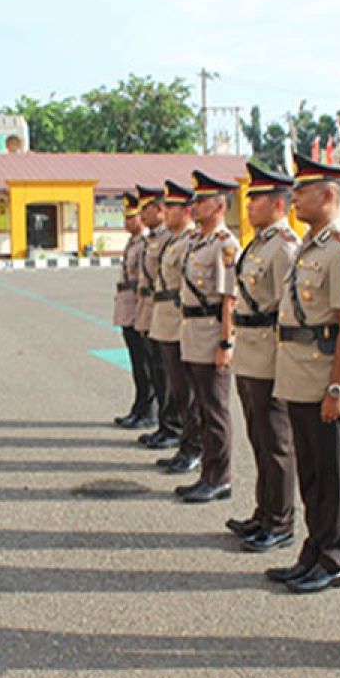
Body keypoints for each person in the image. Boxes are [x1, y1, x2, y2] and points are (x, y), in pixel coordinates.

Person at [265, 152, 340, 594]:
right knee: (310, 472)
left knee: (331, 474)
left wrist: (339, 387)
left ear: (329, 195)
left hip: (325, 379)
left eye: (303, 191)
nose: (296, 198)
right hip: (299, 376)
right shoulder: (310, 246)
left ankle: (335, 556)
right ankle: (314, 548)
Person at [227, 162, 300, 552]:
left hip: (271, 355)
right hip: (251, 354)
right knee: (258, 437)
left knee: (276, 442)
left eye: (256, 198)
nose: (249, 204)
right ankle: (263, 511)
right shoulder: (258, 244)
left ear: (277, 204)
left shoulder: (285, 247)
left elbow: (289, 312)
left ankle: (281, 520)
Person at [174, 170, 239, 504]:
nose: (196, 206)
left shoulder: (226, 245)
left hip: (211, 334)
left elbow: (230, 298)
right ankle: (207, 473)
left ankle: (220, 477)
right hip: (192, 334)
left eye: (202, 201)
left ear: (220, 205)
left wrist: (226, 342)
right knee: (200, 405)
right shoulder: (198, 241)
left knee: (215, 410)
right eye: (195, 201)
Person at [150, 179, 202, 477]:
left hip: (181, 322)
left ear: (187, 211)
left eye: (171, 207)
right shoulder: (173, 240)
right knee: (179, 391)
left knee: (188, 391)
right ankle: (185, 444)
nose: (165, 212)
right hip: (166, 320)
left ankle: (194, 447)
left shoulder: (192, 242)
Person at [135, 184, 180, 451]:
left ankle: (172, 426)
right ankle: (165, 424)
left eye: (146, 209)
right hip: (152, 311)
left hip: (167, 314)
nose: (142, 215)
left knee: (168, 376)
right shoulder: (154, 239)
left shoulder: (168, 239)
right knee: (155, 370)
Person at [112, 192, 157, 429]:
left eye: (132, 217)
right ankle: (140, 407)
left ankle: (149, 410)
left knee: (145, 364)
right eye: (126, 218)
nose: (127, 222)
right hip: (128, 308)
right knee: (137, 364)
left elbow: (144, 282)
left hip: (139, 309)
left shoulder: (145, 244)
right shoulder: (133, 242)